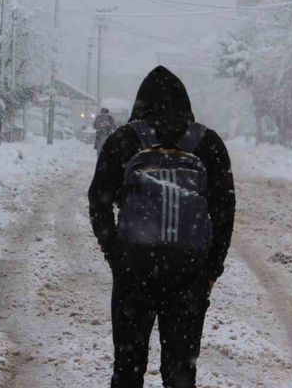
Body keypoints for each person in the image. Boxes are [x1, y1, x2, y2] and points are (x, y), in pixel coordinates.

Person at [88, 66, 235, 388]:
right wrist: (212, 268)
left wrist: (115, 253)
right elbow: (225, 212)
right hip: (188, 272)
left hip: (135, 268)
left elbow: (98, 200)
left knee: (127, 368)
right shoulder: (207, 143)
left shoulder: (124, 140)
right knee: (181, 372)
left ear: (141, 102)